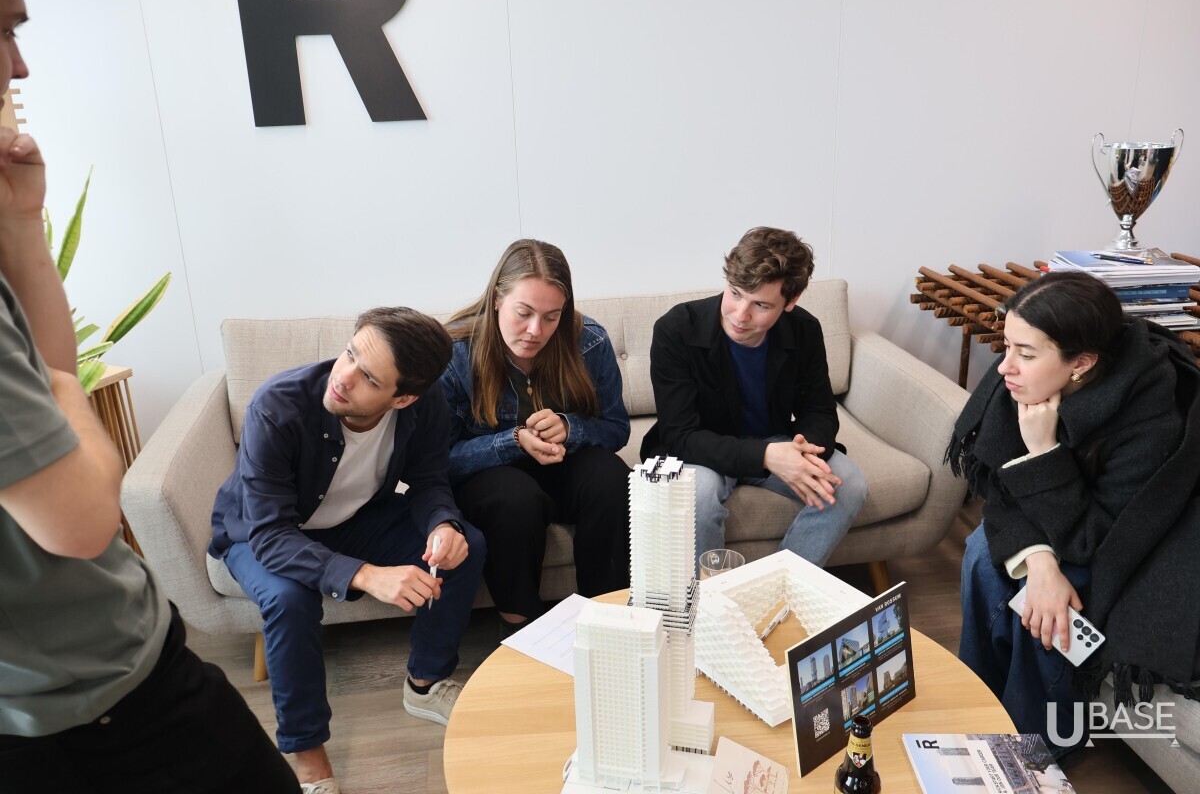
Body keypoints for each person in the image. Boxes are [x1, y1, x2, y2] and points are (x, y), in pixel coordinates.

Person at [0, 0, 299, 791]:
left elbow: (49, 368)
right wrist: (62, 390)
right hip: (87, 704)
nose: (20, 65)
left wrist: (24, 228)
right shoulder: (284, 402)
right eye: (4, 30)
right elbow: (84, 517)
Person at [210, 306, 485, 794]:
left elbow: (427, 480)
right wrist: (366, 574)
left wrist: (442, 524)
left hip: (351, 522)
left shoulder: (426, 405)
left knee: (466, 546)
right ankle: (308, 756)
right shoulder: (277, 405)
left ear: (403, 398)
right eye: (350, 353)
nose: (344, 377)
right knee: (289, 600)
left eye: (369, 378)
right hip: (258, 533)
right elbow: (271, 536)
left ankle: (425, 683)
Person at [948, 271, 1200, 755]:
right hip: (1065, 521)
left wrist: (1043, 452)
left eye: (1025, 354)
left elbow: (1094, 541)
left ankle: (1035, 749)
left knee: (1058, 605)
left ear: (1081, 363)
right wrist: (1040, 562)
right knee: (983, 551)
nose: (1004, 367)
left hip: (1131, 547)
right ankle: (976, 705)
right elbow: (998, 485)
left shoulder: (1152, 418)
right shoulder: (1023, 378)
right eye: (1007, 345)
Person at [642, 226, 867, 568]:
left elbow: (819, 411)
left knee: (848, 483)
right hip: (704, 450)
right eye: (735, 293)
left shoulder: (805, 329)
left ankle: (779, 587)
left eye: (760, 304)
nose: (740, 315)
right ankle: (709, 596)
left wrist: (802, 451)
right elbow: (680, 435)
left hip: (774, 439)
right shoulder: (676, 329)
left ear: (791, 301)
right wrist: (766, 456)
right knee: (697, 494)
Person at [440, 238, 631, 632]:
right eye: (523, 313)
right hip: (488, 483)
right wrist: (511, 441)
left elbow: (617, 428)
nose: (535, 331)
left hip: (563, 471)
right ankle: (521, 629)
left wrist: (571, 428)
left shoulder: (589, 341)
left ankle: (608, 619)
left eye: (551, 317)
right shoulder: (455, 353)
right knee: (515, 499)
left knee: (613, 477)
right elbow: (439, 459)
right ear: (497, 299)